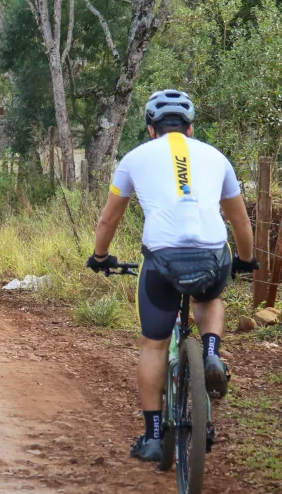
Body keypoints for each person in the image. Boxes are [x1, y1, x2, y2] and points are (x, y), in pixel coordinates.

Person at [87, 89, 257, 463]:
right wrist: (245, 260)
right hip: (213, 254)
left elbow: (108, 218)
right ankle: (211, 352)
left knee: (154, 345)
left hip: (162, 260)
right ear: (191, 128)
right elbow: (240, 220)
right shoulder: (216, 157)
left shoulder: (134, 159)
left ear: (151, 129)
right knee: (210, 298)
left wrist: (100, 256)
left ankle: (151, 436)